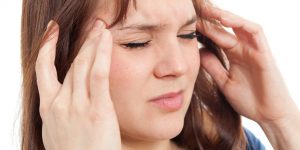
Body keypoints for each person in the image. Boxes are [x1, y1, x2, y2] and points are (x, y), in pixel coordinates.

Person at [20, 0, 300, 149]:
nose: (178, 66)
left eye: (187, 34)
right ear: (60, 57)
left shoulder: (238, 145)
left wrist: (282, 123)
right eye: (137, 42)